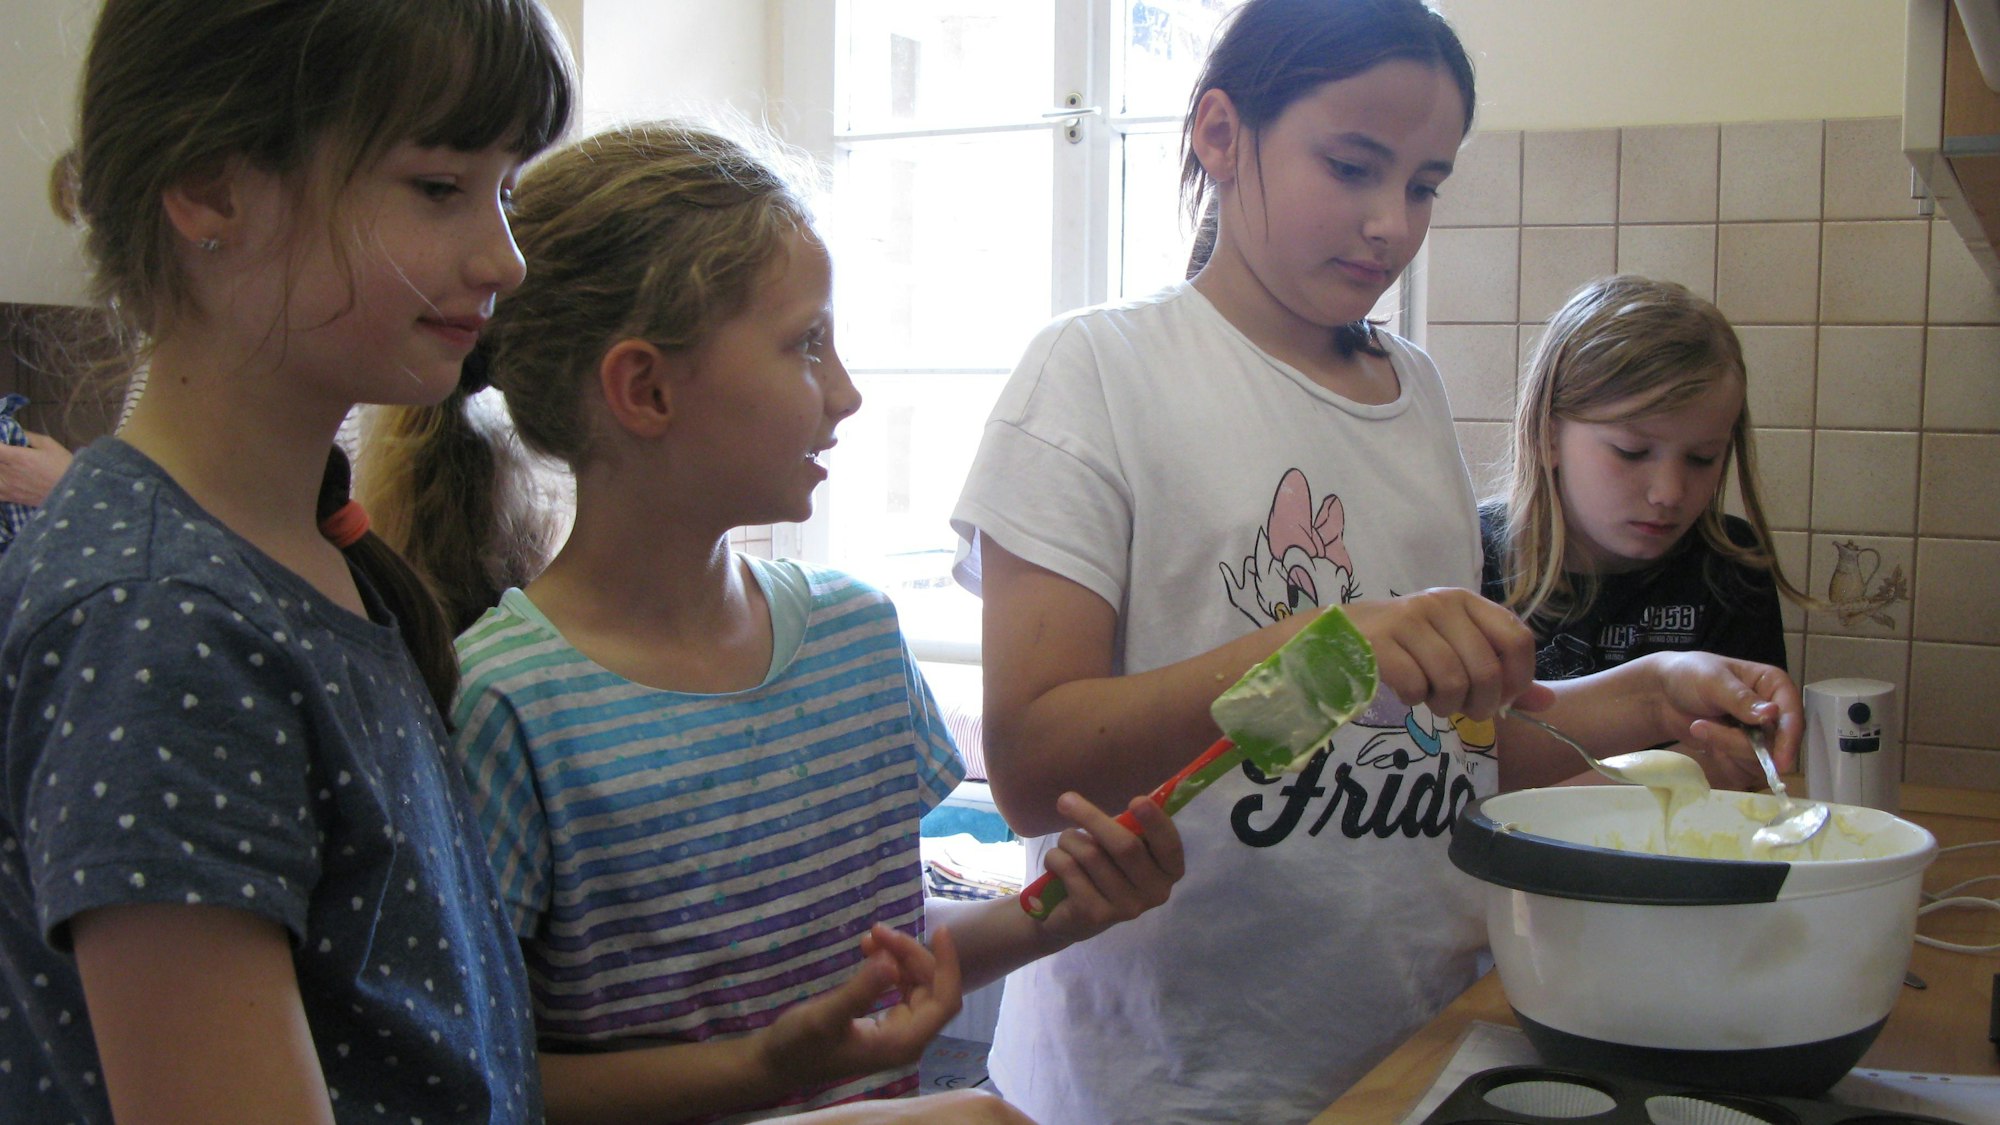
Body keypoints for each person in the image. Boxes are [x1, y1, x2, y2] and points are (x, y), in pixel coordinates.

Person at [947, 0, 1804, 1121]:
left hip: (1408, 1051)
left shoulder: (1413, 396)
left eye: (1423, 184)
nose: (1390, 224)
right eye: (1351, 166)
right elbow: (1031, 772)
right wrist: (1319, 649)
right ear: (1217, 134)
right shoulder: (1096, 374)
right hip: (1167, 1080)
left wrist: (1649, 697)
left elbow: (1443, 759)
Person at [362, 120, 1184, 1124]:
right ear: (645, 388)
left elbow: (873, 951)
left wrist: (1058, 912)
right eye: (806, 345)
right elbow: (481, 1074)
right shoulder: (509, 707)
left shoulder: (855, 641)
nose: (844, 393)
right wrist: (759, 1069)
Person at [0, 0, 575, 1120]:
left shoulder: (298, 551)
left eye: (506, 190)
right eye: (439, 186)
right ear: (214, 191)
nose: (505, 254)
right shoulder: (160, 620)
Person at [1481, 274, 1808, 681]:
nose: (1669, 493)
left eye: (1703, 458)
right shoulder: (1471, 559)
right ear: (1548, 434)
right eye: (1631, 452)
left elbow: (1750, 741)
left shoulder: (1728, 569)